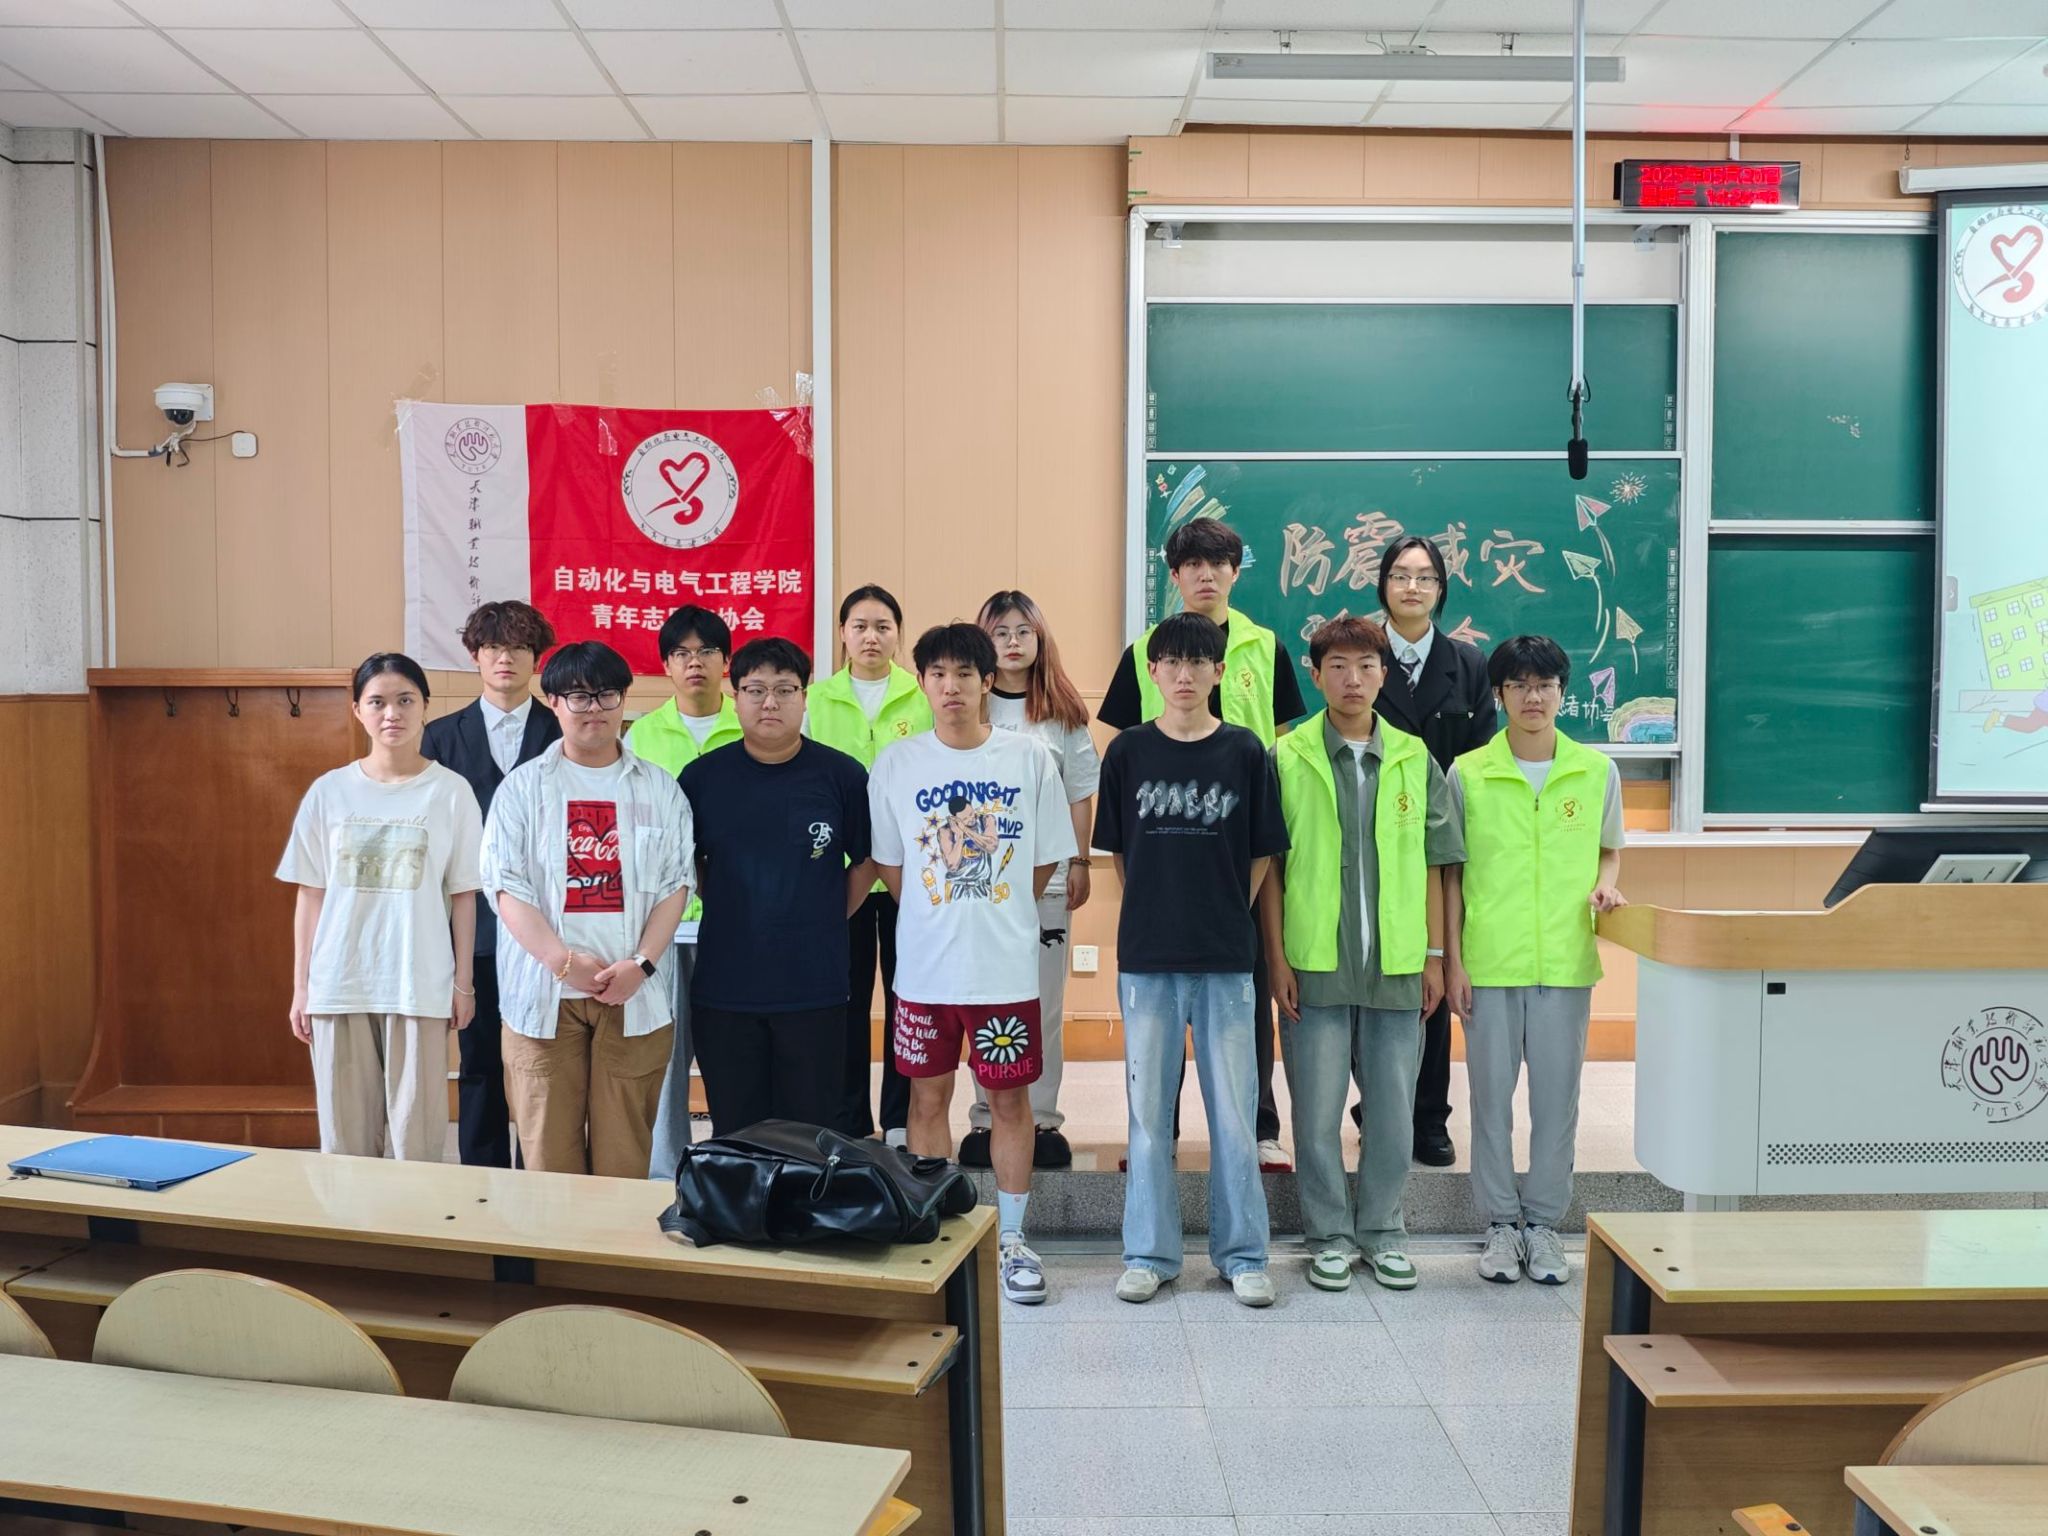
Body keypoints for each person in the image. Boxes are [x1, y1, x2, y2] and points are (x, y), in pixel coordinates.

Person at [868, 622, 1075, 1306]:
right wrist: (943, 917)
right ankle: (938, 1230)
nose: (951, 686)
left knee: (1010, 1103)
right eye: (938, 674)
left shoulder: (1029, 759)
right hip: (926, 974)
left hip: (1004, 972)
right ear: (921, 682)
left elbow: (1042, 863)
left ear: (988, 681)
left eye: (964, 673)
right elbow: (892, 868)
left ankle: (1013, 1239)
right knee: (926, 1099)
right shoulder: (896, 764)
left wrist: (996, 911)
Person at [1098, 517, 1307, 1172]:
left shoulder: (1266, 646)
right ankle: (1156, 1132)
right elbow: (1126, 753)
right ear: (1175, 574)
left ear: (1236, 572)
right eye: (1192, 564)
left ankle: (1259, 1127)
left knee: (1250, 983)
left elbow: (1283, 743)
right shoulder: (1144, 651)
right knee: (1161, 1005)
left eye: (1218, 563)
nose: (1206, 574)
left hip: (1248, 843)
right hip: (1168, 840)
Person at [1262, 617, 1463, 1294]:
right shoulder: (1287, 757)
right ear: (1314, 675)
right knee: (1316, 1113)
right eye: (1338, 667)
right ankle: (1327, 1236)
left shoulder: (1413, 757)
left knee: (1393, 1111)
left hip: (1398, 963)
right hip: (1314, 961)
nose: (1353, 679)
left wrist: (1434, 956)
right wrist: (1277, 960)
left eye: (1367, 666)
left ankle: (1382, 1231)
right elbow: (1272, 870)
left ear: (1385, 674)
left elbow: (1436, 864)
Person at [1096, 612, 1288, 1309]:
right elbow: (1121, 855)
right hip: (1147, 957)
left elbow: (1262, 853)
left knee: (1234, 1114)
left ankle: (1243, 1255)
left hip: (1226, 956)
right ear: (1152, 673)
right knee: (1149, 1117)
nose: (1183, 675)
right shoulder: (1128, 753)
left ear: (1218, 672)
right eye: (1170, 663)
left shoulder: (1245, 751)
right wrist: (1158, 909)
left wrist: (1228, 909)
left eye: (1197, 663)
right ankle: (1149, 1254)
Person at [1446, 635, 1626, 1287]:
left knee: (1558, 1103)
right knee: (1489, 1101)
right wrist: (1452, 961)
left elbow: (1609, 850)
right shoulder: (1468, 773)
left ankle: (1544, 1225)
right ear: (1499, 695)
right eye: (1519, 685)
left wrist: (1606, 886)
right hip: (1490, 962)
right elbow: (1451, 874)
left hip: (1565, 962)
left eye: (1545, 685)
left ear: (1562, 693)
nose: (1533, 697)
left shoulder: (1596, 771)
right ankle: (1500, 1224)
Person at [481, 641, 695, 1178]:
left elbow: (677, 885)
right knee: (549, 1157)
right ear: (553, 702)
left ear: (624, 699)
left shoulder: (661, 789)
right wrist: (561, 961)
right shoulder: (521, 789)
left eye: (607, 694)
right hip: (543, 996)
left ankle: (615, 1241)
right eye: (579, 696)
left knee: (624, 1157)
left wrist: (641, 964)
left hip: (635, 996)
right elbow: (505, 887)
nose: (594, 708)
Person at [279, 653, 483, 1162]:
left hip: (418, 983)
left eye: (405, 700)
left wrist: (463, 984)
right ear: (358, 711)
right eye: (377, 702)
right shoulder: (329, 792)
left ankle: (417, 1218)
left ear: (425, 707)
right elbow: (311, 895)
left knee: (419, 1142)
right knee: (345, 1144)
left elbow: (464, 895)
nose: (392, 713)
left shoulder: (451, 792)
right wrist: (302, 987)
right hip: (339, 984)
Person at [681, 637, 875, 1135]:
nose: (770, 702)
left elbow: (868, 860)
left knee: (809, 1134)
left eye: (785, 690)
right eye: (756, 690)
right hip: (726, 986)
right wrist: (728, 901)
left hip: (815, 986)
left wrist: (827, 911)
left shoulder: (842, 776)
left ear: (805, 697)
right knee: (736, 1132)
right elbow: (688, 862)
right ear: (735, 696)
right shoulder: (702, 779)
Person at [959, 590, 1098, 1172]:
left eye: (1023, 631)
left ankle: (1041, 1119)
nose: (1012, 642)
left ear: (1040, 639)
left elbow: (1080, 793)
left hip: (1048, 882)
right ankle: (986, 1117)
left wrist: (1081, 861)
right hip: (980, 884)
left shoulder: (1062, 714)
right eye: (1000, 632)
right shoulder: (968, 705)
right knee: (983, 1001)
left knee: (1043, 1005)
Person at [1371, 535, 1498, 1169]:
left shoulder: (1468, 665)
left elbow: (1482, 758)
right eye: (1400, 575)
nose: (1412, 587)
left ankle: (1429, 1118)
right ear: (1383, 586)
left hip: (1441, 847)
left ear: (1441, 589)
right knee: (1376, 977)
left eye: (1425, 577)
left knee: (1435, 978)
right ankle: (1375, 1108)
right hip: (1373, 842)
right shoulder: (1360, 655)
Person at [421, 600, 560, 1169]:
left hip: (547, 925)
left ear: (536, 658)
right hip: (470, 925)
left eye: (519, 647)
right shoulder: (439, 737)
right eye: (494, 647)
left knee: (542, 1060)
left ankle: (540, 1171)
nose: (506, 658)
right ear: (475, 656)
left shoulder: (563, 729)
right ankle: (482, 1177)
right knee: (477, 1058)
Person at [806, 585, 933, 1145]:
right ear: (842, 634)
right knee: (847, 997)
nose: (871, 637)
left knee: (908, 995)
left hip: (913, 873)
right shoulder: (815, 699)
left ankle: (901, 1119)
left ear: (898, 635)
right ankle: (849, 1118)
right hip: (844, 872)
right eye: (859, 626)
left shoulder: (922, 695)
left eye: (883, 626)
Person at [626, 605, 743, 1179]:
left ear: (727, 662)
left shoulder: (752, 723)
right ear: (666, 666)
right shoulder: (642, 736)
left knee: (733, 1054)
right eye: (681, 653)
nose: (694, 663)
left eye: (706, 652)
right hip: (663, 924)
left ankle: (734, 1169)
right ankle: (663, 1175)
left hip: (737, 923)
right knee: (665, 1055)